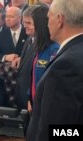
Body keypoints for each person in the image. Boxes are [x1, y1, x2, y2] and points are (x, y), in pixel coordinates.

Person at [26, 0, 83, 141]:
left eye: (48, 17)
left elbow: (56, 129)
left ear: (59, 19)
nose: (46, 24)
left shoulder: (66, 65)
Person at [27, 5, 59, 113]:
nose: (28, 27)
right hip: (35, 104)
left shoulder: (54, 48)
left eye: (31, 23)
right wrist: (29, 97)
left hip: (46, 107)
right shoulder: (40, 48)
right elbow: (34, 77)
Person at [11, 6, 37, 110]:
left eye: (29, 23)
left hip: (31, 97)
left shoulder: (45, 44)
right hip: (21, 93)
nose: (24, 26)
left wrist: (30, 98)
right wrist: (21, 59)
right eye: (24, 22)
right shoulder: (30, 37)